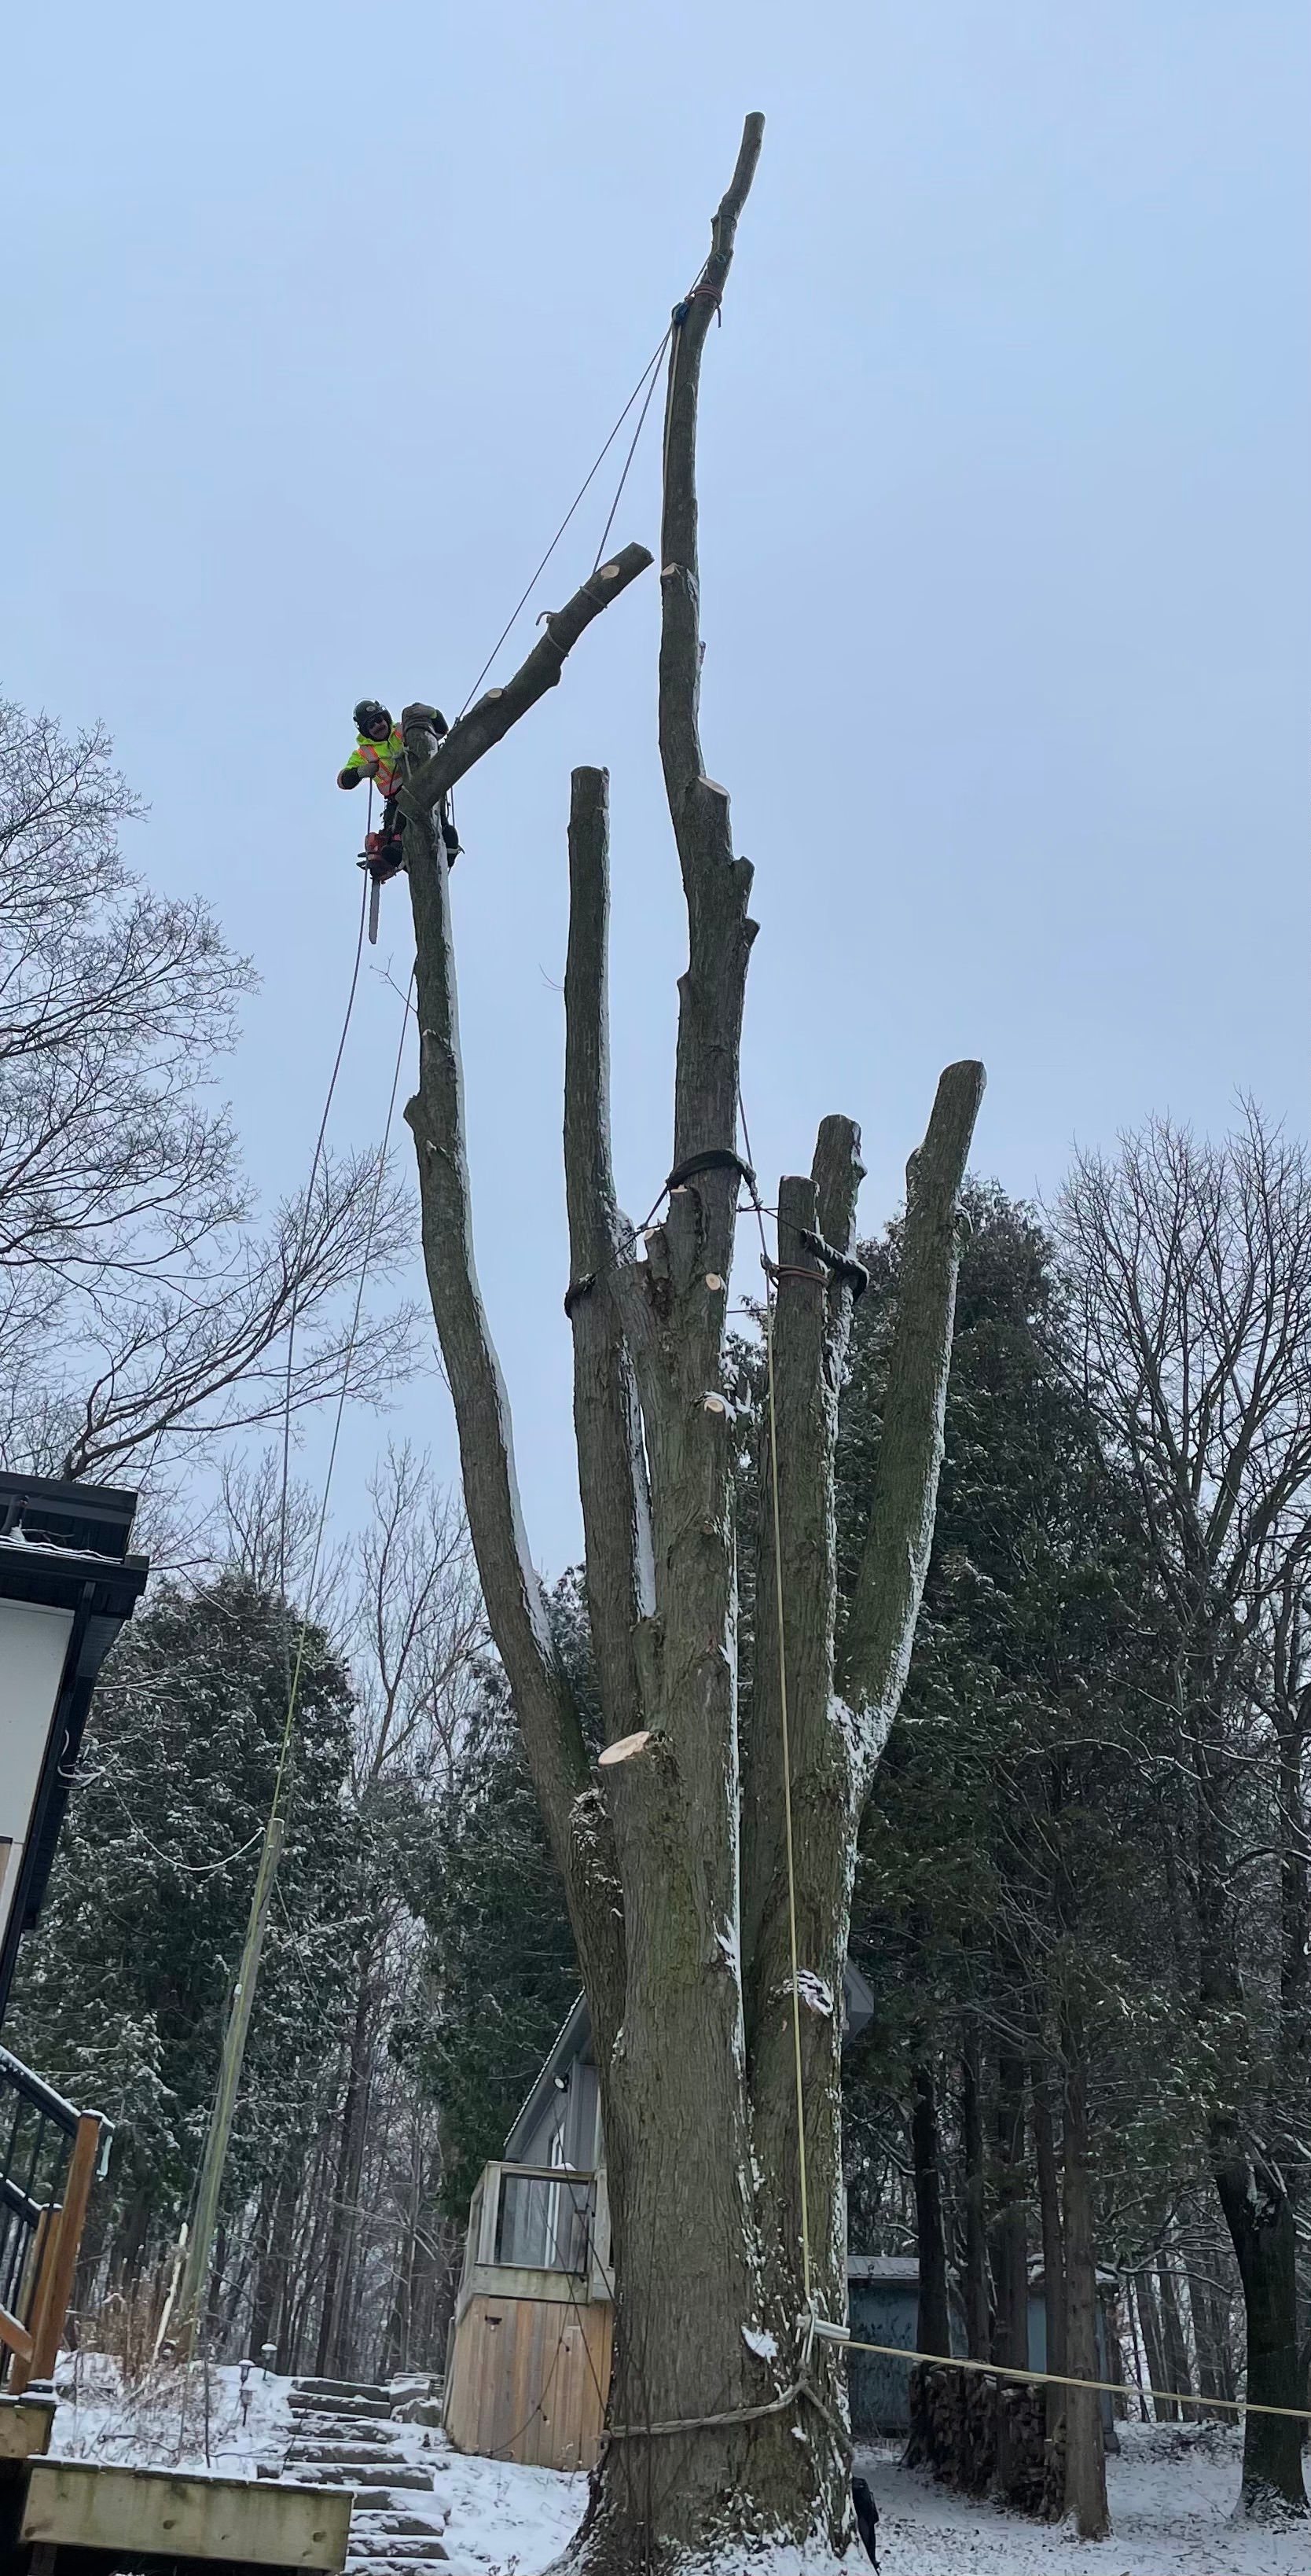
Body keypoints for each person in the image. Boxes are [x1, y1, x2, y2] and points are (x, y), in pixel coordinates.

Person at [338, 700, 461, 876]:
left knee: (438, 820)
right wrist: (359, 771)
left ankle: (448, 848)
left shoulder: (402, 730)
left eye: (379, 720)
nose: (378, 726)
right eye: (371, 725)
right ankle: (400, 856)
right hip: (396, 799)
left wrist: (432, 714)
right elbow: (343, 781)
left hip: (425, 786)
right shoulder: (364, 753)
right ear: (365, 731)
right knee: (396, 831)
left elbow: (440, 731)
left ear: (386, 718)